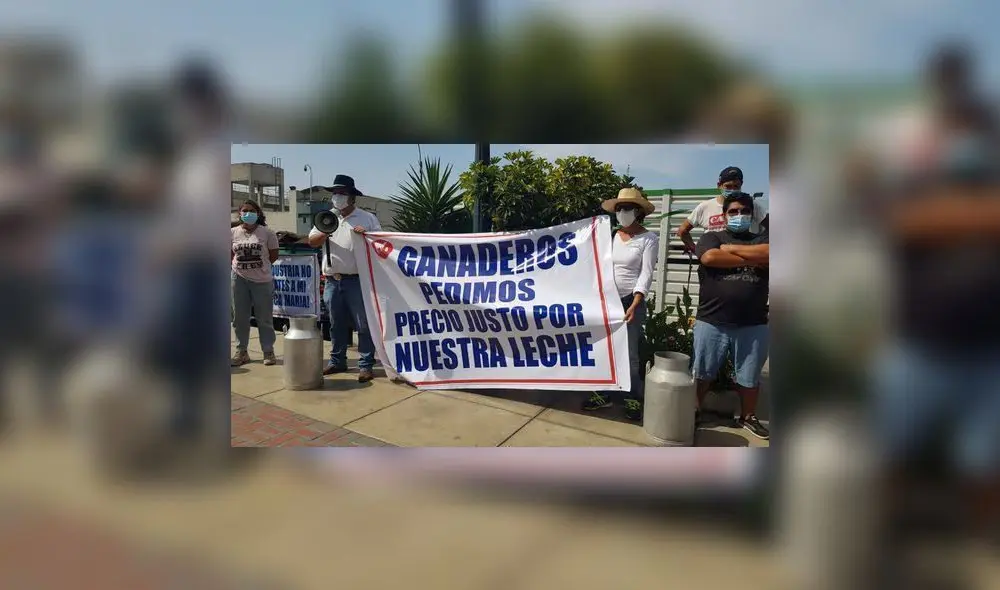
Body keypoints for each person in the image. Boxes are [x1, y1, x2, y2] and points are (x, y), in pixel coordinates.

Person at [692, 191, 769, 440]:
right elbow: (710, 257)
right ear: (724, 215)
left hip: (753, 322)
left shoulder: (762, 237)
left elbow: (770, 255)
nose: (739, 215)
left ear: (752, 214)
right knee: (702, 373)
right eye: (733, 211)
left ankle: (748, 417)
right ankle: (694, 410)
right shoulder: (710, 237)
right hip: (711, 319)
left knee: (749, 377)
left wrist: (731, 249)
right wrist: (751, 256)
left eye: (744, 211)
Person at [583, 187, 660, 421]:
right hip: (608, 302)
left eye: (626, 208)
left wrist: (636, 302)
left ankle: (632, 397)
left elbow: (645, 274)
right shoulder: (613, 235)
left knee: (630, 354)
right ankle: (605, 394)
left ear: (638, 212)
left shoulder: (649, 239)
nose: (622, 212)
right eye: (619, 209)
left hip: (630, 301)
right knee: (607, 351)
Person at [308, 174, 382, 383]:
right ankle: (337, 360)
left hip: (358, 280)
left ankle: (366, 364)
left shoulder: (367, 218)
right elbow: (312, 241)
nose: (337, 197)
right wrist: (324, 232)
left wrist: (366, 235)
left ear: (352, 197)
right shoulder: (325, 217)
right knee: (335, 323)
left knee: (363, 324)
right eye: (335, 193)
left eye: (342, 193)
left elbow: (380, 244)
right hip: (333, 280)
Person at [231, 200, 280, 366]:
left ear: (258, 214)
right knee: (240, 317)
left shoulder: (267, 233)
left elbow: (273, 256)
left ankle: (268, 351)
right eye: (244, 210)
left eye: (251, 211)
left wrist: (259, 268)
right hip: (239, 279)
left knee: (264, 318)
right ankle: (241, 351)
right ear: (239, 213)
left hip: (262, 281)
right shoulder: (232, 232)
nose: (248, 213)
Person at [676, 166, 769, 252]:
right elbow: (683, 230)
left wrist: (759, 243)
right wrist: (696, 250)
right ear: (719, 185)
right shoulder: (705, 207)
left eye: (736, 186)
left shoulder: (750, 204)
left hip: (742, 256)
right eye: (728, 186)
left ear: (741, 184)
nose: (732, 190)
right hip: (715, 257)